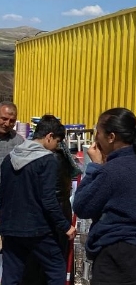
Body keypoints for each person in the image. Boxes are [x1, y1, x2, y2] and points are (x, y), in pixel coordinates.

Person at [73, 108, 136, 285]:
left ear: (111, 137)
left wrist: (94, 167)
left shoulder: (113, 170)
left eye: (98, 133)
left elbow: (81, 206)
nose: (96, 139)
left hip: (117, 258)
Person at [0, 115, 76, 285]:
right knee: (56, 268)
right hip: (37, 228)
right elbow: (48, 199)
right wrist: (66, 226)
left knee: (12, 274)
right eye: (57, 141)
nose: (56, 147)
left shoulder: (10, 158)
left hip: (10, 227)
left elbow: (2, 194)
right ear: (49, 136)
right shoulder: (47, 160)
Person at [23, 138, 79, 285]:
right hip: (60, 210)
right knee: (54, 261)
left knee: (39, 262)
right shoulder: (62, 157)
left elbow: (49, 197)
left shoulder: (48, 158)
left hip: (51, 212)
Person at [0, 102, 23, 279]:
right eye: (4, 118)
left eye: (12, 121)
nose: (7, 123)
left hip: (8, 198)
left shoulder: (19, 141)